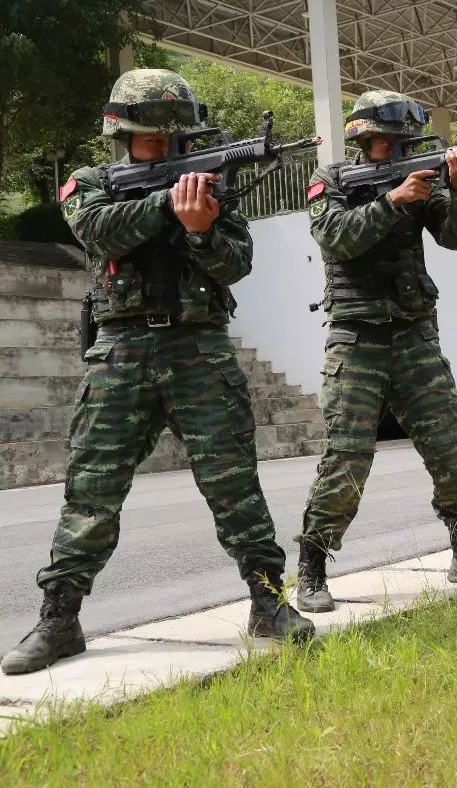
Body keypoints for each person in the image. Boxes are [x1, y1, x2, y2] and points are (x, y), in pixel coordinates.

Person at [2, 69, 313, 676]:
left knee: (234, 487)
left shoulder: (211, 185)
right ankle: (59, 618)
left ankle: (269, 603)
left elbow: (236, 263)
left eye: (178, 139)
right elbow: (98, 230)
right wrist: (168, 204)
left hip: (200, 349)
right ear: (123, 137)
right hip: (120, 352)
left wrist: (200, 231)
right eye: (154, 140)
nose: (170, 150)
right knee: (91, 490)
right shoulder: (89, 183)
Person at [296, 89, 457, 615]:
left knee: (451, 447)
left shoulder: (421, 181)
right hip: (356, 337)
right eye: (388, 143)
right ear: (364, 141)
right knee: (346, 456)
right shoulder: (334, 181)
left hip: (414, 333)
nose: (397, 151)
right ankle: (312, 567)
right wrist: (393, 201)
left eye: (403, 143)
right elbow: (336, 238)